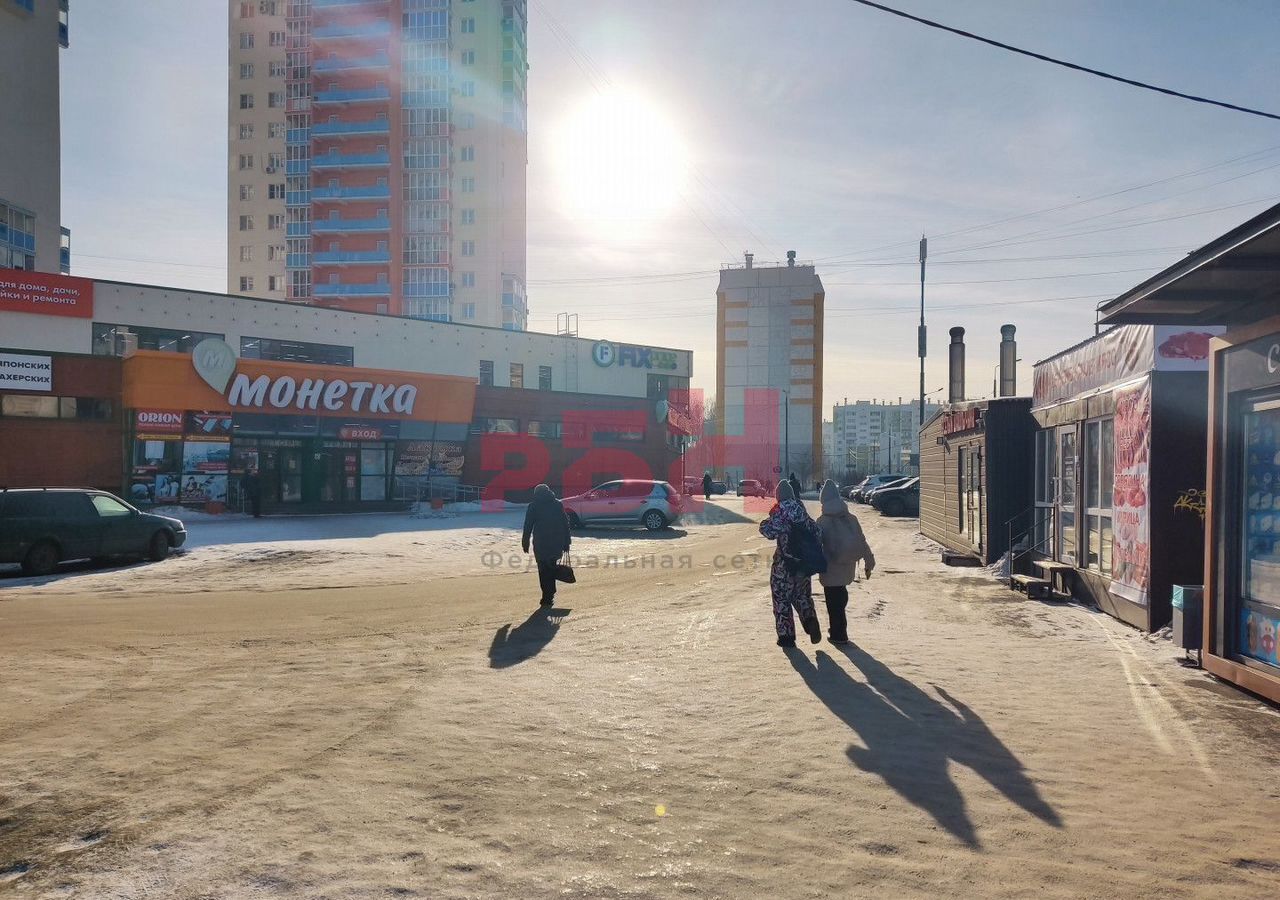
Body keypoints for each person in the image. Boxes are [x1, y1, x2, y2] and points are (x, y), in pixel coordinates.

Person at [759, 480, 823, 647]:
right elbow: (817, 532)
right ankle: (810, 620)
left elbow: (768, 531)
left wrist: (766, 522)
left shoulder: (780, 511)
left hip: (784, 565)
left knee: (781, 599)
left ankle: (786, 637)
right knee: (802, 596)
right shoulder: (800, 510)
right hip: (803, 564)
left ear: (778, 496)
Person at [816, 479, 875, 644]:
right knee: (840, 595)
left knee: (833, 603)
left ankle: (838, 634)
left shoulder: (822, 521)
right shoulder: (851, 518)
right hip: (847, 564)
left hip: (830, 567)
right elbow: (861, 541)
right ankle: (839, 630)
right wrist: (869, 562)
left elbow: (815, 545)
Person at [522, 483, 571, 606]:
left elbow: (528, 525)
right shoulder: (557, 504)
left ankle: (547, 595)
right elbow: (565, 524)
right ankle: (550, 594)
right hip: (556, 542)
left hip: (541, 542)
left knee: (543, 570)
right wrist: (567, 542)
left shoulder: (533, 506)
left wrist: (525, 541)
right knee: (551, 567)